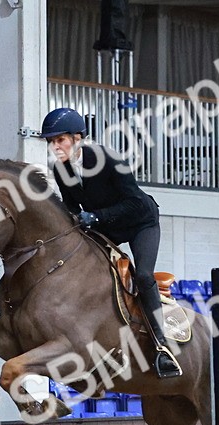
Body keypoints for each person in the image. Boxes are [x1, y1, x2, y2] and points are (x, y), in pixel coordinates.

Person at [39, 107, 182, 379]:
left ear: (78, 138)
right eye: (51, 141)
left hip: (140, 221)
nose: (54, 146)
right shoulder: (61, 169)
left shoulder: (108, 159)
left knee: (141, 275)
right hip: (105, 226)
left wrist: (96, 216)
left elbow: (134, 202)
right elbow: (71, 207)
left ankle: (162, 346)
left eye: (60, 140)